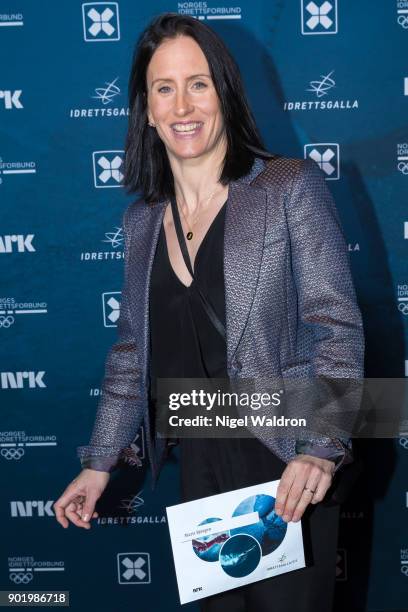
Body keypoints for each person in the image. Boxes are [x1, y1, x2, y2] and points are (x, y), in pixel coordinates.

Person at [53, 12, 364, 612]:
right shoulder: (142, 221)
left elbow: (337, 328)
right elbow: (130, 353)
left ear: (225, 90)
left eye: (198, 83)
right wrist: (98, 463)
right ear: (146, 109)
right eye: (163, 88)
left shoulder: (286, 187)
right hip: (200, 461)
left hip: (287, 461)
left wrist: (319, 447)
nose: (182, 104)